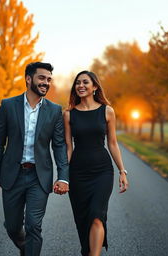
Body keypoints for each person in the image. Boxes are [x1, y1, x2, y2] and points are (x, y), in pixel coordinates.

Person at [0, 62, 69, 256]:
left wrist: (63, 176)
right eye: (42, 78)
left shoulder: (54, 110)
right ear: (28, 79)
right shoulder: (8, 105)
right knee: (13, 227)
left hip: (38, 177)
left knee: (34, 226)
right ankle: (26, 249)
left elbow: (59, 146)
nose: (46, 83)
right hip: (12, 176)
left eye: (49, 79)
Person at [63, 70, 129, 256]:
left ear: (95, 87)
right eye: (78, 83)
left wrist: (122, 171)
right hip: (78, 173)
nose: (81, 86)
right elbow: (68, 147)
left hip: (102, 172)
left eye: (85, 82)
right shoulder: (69, 114)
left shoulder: (107, 111)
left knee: (96, 215)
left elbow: (113, 143)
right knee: (83, 219)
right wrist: (63, 176)